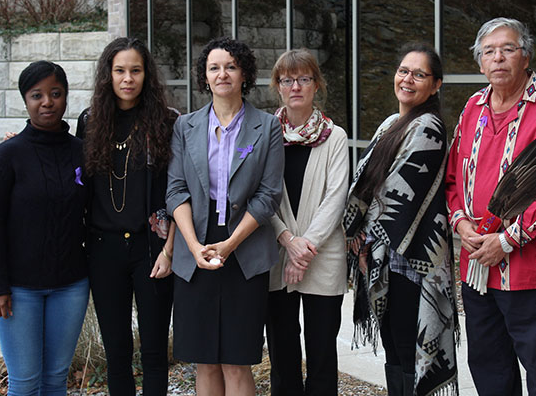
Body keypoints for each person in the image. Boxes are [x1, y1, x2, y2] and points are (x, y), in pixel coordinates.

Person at [445, 17, 536, 396]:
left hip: (530, 270)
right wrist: (460, 224)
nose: (498, 58)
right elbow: (454, 176)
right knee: (489, 369)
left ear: (526, 56)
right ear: (479, 62)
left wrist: (506, 240)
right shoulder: (472, 108)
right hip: (476, 268)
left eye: (508, 49)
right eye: (489, 51)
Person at [166, 36, 284, 396]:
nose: (222, 74)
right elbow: (176, 191)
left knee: (236, 359)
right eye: (214, 68)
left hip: (244, 249)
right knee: (205, 360)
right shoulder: (184, 127)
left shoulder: (267, 127)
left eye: (231, 66)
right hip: (195, 246)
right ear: (204, 77)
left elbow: (268, 196)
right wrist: (192, 245)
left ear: (245, 73)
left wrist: (230, 244)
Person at [344, 42, 458, 396]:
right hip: (384, 257)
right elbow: (367, 182)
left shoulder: (429, 127)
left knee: (409, 351)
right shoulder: (392, 123)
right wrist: (359, 235)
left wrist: (361, 236)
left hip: (414, 261)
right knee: (394, 349)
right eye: (403, 71)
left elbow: (396, 194)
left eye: (419, 74)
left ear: (436, 84)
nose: (408, 79)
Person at [0, 61, 89, 395]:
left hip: (70, 287)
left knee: (56, 378)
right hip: (18, 291)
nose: (47, 102)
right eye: (37, 95)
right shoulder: (7, 156)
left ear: (66, 97)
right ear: (25, 100)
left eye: (56, 94)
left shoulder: (82, 152)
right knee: (25, 381)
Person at [77, 37, 178, 395]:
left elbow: (179, 191)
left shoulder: (167, 122)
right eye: (119, 70)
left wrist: (169, 250)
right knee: (116, 351)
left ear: (146, 75)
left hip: (152, 250)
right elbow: (71, 169)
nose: (128, 78)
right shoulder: (90, 121)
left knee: (153, 351)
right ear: (108, 75)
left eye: (136, 70)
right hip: (103, 249)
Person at [265, 49, 349, 396]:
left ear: (317, 85)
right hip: (275, 255)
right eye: (287, 80)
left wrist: (303, 249)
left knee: (322, 353)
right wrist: (287, 239)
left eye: (304, 79)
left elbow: (336, 198)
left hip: (323, 256)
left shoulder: (336, 137)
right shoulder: (264, 134)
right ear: (278, 87)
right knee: (282, 353)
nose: (295, 86)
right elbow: (259, 195)